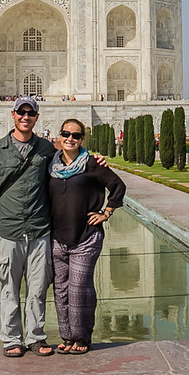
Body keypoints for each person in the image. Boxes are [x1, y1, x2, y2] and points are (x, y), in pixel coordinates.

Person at [0, 97, 106, 359]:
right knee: (10, 287)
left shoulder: (46, 149)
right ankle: (11, 339)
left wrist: (95, 159)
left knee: (38, 288)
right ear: (13, 115)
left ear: (37, 117)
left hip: (38, 229)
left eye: (31, 113)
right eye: (21, 112)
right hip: (9, 228)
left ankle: (36, 337)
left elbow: (71, 159)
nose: (26, 116)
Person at [49, 118, 126, 355]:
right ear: (59, 136)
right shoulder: (50, 165)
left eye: (75, 135)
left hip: (86, 237)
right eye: (66, 134)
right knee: (60, 290)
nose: (70, 138)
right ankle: (67, 337)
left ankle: (82, 336)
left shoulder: (92, 163)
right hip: (58, 238)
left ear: (83, 138)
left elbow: (118, 186)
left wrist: (106, 213)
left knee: (79, 288)